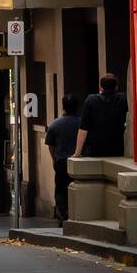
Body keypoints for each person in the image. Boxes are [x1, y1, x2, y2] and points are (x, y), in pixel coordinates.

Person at [45, 94, 80, 223]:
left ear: (63, 107)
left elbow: (51, 145)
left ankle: (62, 215)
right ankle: (75, 214)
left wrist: (54, 159)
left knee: (60, 189)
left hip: (61, 162)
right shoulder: (81, 124)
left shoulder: (55, 125)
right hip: (77, 162)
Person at [74, 74, 128, 158]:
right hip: (117, 148)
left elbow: (83, 128)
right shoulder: (123, 99)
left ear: (100, 88)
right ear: (116, 87)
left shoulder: (91, 100)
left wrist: (77, 152)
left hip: (95, 149)